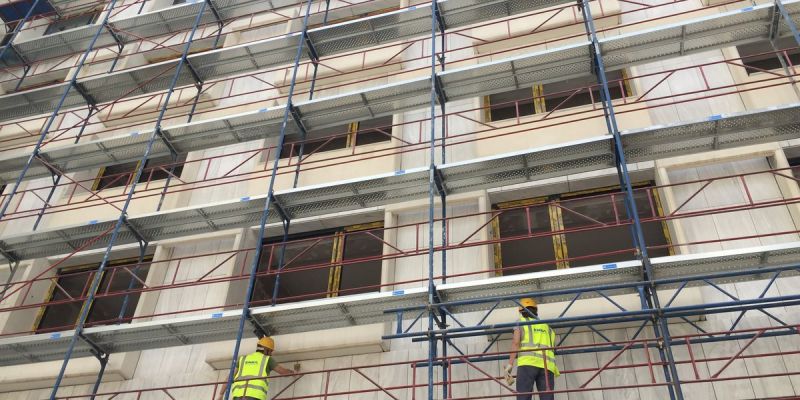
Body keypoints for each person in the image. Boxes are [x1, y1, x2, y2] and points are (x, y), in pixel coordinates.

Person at [505, 298, 560, 400]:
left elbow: (516, 342)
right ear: (536, 310)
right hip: (547, 366)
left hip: (528, 364)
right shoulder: (547, 327)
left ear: (521, 311)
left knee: (523, 397)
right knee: (547, 398)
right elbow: (553, 348)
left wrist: (510, 364)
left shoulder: (521, 322)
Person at [218, 336, 298, 400]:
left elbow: (229, 378)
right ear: (266, 350)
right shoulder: (267, 359)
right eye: (270, 351)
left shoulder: (243, 359)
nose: (271, 354)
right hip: (255, 397)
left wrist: (221, 395)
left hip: (237, 396)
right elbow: (282, 371)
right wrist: (293, 372)